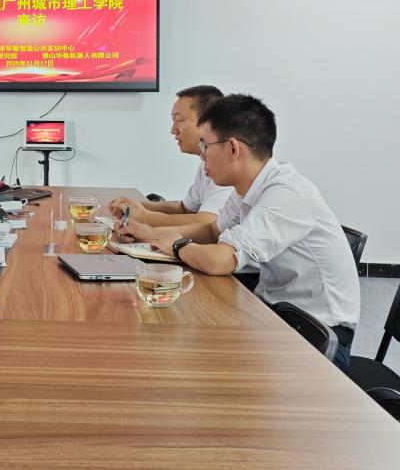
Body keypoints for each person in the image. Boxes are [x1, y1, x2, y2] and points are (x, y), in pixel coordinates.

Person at [121, 94, 360, 370]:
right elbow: (212, 231)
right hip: (275, 314)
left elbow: (221, 260)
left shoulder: (286, 194)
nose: (202, 154)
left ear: (233, 148)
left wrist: (175, 243)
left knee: (184, 351)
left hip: (317, 339)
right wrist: (149, 234)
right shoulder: (247, 188)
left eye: (205, 145)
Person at [108, 85, 232, 228]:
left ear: (208, 122)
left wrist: (145, 217)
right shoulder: (205, 162)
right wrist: (135, 206)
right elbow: (185, 209)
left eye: (179, 120)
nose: (173, 130)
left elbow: (208, 221)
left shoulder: (227, 165)